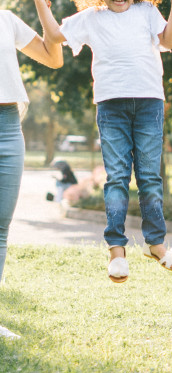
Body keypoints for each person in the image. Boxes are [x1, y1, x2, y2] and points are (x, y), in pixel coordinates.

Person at [34, 0, 172, 283]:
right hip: (111, 105)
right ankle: (117, 251)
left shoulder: (147, 12)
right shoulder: (91, 17)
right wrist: (41, 5)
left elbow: (170, 40)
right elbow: (54, 36)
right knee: (117, 177)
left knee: (150, 177)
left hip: (149, 103)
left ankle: (156, 244)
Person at [0, 6, 62, 284]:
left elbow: (53, 57)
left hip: (9, 125)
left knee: (1, 228)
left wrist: (43, 9)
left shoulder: (6, 19)